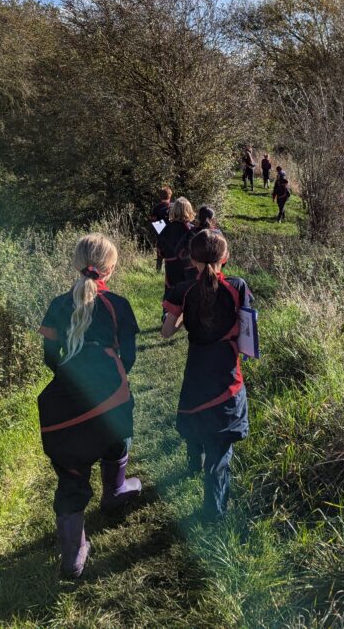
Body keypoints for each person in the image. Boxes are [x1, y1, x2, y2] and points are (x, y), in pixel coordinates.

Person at [37, 234, 142, 578]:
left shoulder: (57, 304)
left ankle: (73, 556)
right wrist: (110, 377)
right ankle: (115, 491)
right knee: (117, 437)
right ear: (110, 269)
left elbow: (49, 357)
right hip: (110, 397)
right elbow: (129, 357)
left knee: (71, 473)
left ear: (75, 263)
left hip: (66, 397)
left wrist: (72, 377)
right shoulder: (120, 306)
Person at [161, 230, 251, 520]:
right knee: (220, 446)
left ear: (191, 258)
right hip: (227, 377)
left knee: (196, 420)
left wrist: (184, 316)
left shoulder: (183, 291)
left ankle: (192, 462)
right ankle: (214, 511)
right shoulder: (238, 287)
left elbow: (165, 332)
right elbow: (248, 340)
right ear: (225, 257)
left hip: (196, 373)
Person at [157, 197, 196, 298]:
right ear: (189, 211)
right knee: (188, 299)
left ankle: (167, 313)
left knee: (170, 299)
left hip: (171, 269)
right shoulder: (192, 229)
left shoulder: (164, 227)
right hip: (188, 270)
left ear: (173, 211)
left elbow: (160, 251)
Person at [151, 187, 172, 272]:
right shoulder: (173, 206)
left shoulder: (156, 208)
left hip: (161, 234)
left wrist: (161, 229)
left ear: (160, 197)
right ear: (170, 196)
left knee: (159, 255)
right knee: (171, 254)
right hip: (172, 234)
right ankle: (170, 272)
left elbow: (153, 221)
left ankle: (158, 271)